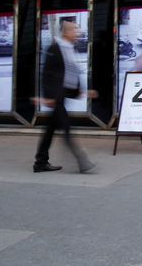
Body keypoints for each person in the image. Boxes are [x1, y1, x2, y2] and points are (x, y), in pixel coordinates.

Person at [34, 20, 96, 173]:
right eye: (74, 30)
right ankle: (82, 162)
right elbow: (47, 74)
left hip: (62, 95)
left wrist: (80, 91)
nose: (77, 33)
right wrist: (48, 96)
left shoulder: (70, 48)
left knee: (50, 130)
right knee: (67, 129)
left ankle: (40, 162)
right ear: (66, 32)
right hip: (55, 98)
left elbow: (71, 72)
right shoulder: (54, 48)